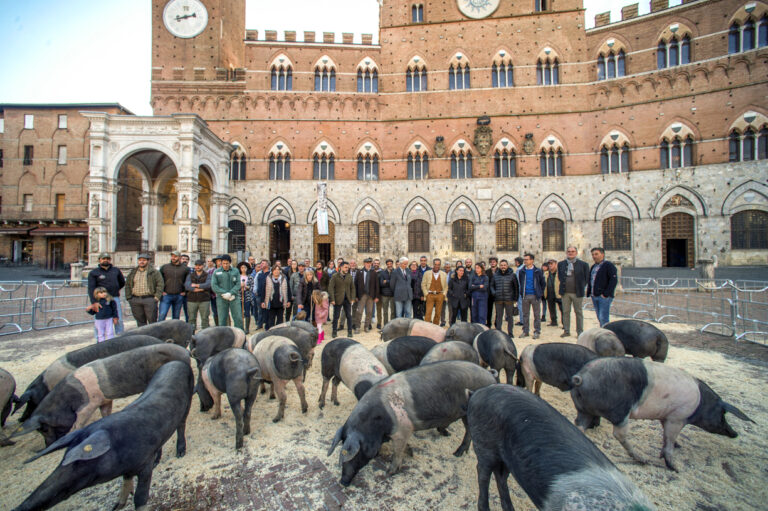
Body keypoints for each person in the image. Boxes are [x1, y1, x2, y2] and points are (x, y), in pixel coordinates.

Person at [87, 252, 126, 335]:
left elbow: (122, 282)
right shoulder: (94, 273)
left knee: (118, 318)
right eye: (103, 259)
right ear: (99, 260)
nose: (106, 260)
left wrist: (114, 289)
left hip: (114, 298)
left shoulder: (116, 270)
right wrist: (94, 302)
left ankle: (121, 338)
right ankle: (99, 340)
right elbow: (91, 288)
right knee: (100, 320)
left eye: (107, 259)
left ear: (110, 260)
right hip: (101, 300)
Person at [557, 246, 590, 337]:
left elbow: (587, 278)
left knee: (578, 312)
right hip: (565, 292)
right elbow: (560, 277)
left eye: (572, 251)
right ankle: (566, 330)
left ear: (576, 253)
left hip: (577, 292)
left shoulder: (583, 264)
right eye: (569, 251)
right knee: (566, 312)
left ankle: (579, 331)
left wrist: (581, 286)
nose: (570, 253)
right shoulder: (561, 264)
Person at [124, 253, 164, 326]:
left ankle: (152, 336)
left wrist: (157, 297)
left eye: (144, 260)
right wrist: (129, 297)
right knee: (140, 321)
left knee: (152, 321)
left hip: (149, 299)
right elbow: (127, 285)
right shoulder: (133, 272)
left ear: (148, 261)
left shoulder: (154, 272)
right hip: (135, 299)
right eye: (140, 260)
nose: (141, 262)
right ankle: (142, 337)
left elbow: (160, 284)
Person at [587, 247, 619, 326]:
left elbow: (613, 280)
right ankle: (603, 331)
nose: (594, 256)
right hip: (594, 295)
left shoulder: (608, 265)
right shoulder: (594, 266)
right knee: (599, 316)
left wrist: (606, 294)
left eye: (596, 254)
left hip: (603, 297)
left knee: (603, 317)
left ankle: (606, 334)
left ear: (602, 254)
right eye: (593, 254)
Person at [518, 253, 546, 339]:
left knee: (536, 315)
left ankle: (537, 331)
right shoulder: (522, 271)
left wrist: (539, 292)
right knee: (525, 314)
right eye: (524, 259)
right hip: (525, 295)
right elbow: (520, 282)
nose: (525, 261)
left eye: (527, 259)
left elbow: (543, 283)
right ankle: (525, 331)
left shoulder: (538, 271)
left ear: (532, 260)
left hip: (535, 295)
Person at [211, 254, 243, 329]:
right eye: (223, 263)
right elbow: (214, 285)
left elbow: (238, 284)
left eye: (227, 263)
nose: (225, 265)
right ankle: (223, 336)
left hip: (234, 297)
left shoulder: (235, 271)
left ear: (230, 263)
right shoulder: (216, 272)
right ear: (221, 263)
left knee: (238, 318)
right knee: (222, 319)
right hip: (221, 298)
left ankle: (240, 334)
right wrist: (224, 293)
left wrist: (231, 293)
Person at [490, 259, 519, 338]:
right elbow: (491, 285)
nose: (503, 267)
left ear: (507, 266)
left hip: (509, 299)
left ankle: (510, 332)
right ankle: (499, 332)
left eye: (504, 265)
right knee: (499, 316)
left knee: (510, 317)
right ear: (499, 266)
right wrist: (494, 293)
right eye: (501, 265)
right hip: (498, 299)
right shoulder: (495, 275)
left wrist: (515, 298)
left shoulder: (512, 275)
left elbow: (516, 287)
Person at [328, 261, 356, 337]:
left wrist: (352, 298)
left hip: (347, 299)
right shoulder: (334, 276)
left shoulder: (349, 276)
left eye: (348, 267)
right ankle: (334, 331)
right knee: (336, 316)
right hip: (337, 299)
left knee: (349, 316)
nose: (347, 269)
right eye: (345, 267)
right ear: (341, 267)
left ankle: (349, 331)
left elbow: (352, 288)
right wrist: (332, 299)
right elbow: (330, 288)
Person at [159, 250, 188, 321]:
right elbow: (159, 280)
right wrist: (161, 291)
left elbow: (188, 281)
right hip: (166, 295)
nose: (173, 258)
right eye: (172, 256)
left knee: (176, 316)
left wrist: (185, 291)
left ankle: (174, 331)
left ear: (179, 257)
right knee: (162, 314)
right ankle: (159, 331)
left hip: (179, 296)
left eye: (175, 256)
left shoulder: (185, 269)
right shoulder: (164, 267)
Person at [354, 258, 380, 333]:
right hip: (362, 295)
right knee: (359, 311)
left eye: (370, 263)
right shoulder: (359, 272)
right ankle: (357, 327)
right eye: (367, 263)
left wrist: (377, 296)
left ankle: (366, 326)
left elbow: (377, 285)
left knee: (369, 312)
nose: (369, 264)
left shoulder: (374, 273)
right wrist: (356, 296)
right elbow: (355, 284)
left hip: (371, 295)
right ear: (364, 263)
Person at [185, 259, 212, 332]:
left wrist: (196, 285)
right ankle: (191, 334)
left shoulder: (207, 275)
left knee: (205, 318)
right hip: (192, 300)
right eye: (196, 265)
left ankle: (205, 334)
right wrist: (195, 289)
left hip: (204, 299)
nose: (198, 267)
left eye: (199, 265)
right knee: (191, 318)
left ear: (203, 266)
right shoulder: (190, 275)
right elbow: (187, 286)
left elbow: (208, 285)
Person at [262, 264, 291, 330]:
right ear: (272, 271)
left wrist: (288, 300)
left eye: (278, 270)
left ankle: (279, 333)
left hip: (281, 303)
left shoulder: (284, 279)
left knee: (280, 321)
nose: (276, 271)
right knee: (271, 320)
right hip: (271, 303)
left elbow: (288, 290)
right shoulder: (268, 278)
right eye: (275, 270)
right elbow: (263, 290)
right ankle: (271, 333)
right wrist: (262, 301)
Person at [421, 258, 447, 326]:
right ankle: (426, 327)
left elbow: (446, 286)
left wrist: (443, 294)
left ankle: (435, 327)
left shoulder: (444, 274)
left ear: (440, 265)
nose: (437, 266)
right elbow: (423, 284)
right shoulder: (427, 273)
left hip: (440, 295)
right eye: (435, 264)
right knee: (428, 313)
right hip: (430, 295)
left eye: (438, 265)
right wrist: (426, 294)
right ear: (433, 265)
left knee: (438, 313)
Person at [339, 259, 358, 331]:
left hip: (354, 293)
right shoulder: (346, 271)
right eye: (351, 263)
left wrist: (357, 295)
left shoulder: (359, 272)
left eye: (354, 263)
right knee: (344, 310)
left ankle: (353, 324)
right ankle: (341, 324)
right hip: (346, 293)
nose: (353, 265)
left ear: (355, 264)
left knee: (354, 310)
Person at [377, 258, 395, 329]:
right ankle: (386, 325)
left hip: (393, 294)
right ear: (386, 265)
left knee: (393, 311)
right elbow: (381, 283)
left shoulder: (395, 272)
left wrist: (386, 281)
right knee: (385, 311)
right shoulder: (383, 273)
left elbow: (395, 283)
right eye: (388, 264)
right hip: (385, 294)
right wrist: (390, 282)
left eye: (390, 264)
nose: (389, 265)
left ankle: (392, 325)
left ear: (392, 264)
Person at [544, 259, 562, 327]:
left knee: (562, 308)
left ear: (556, 264)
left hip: (558, 293)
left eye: (551, 263)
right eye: (549, 264)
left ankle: (564, 323)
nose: (550, 265)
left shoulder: (560, 273)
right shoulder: (546, 273)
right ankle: (553, 321)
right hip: (549, 293)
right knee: (551, 308)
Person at [254, 260, 271, 330]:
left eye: (263, 263)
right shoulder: (259, 274)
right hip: (259, 295)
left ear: (267, 265)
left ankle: (268, 324)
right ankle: (259, 324)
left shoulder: (270, 273)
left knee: (268, 311)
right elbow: (255, 283)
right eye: (261, 263)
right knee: (260, 310)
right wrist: (255, 291)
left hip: (268, 296)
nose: (261, 264)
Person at [237, 262, 253, 332]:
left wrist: (246, 287)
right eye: (242, 268)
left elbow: (252, 287)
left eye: (245, 268)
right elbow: (235, 286)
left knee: (247, 312)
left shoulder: (250, 277)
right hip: (239, 296)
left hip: (247, 297)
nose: (243, 269)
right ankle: (241, 327)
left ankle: (247, 328)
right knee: (239, 312)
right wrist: (240, 286)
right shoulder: (238, 277)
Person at [485, 257, 498, 328]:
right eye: (491, 262)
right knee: (489, 310)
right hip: (489, 294)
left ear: (496, 263)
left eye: (494, 262)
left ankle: (497, 323)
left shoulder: (499, 271)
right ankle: (488, 323)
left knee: (498, 310)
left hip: (497, 293)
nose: (492, 263)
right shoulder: (487, 272)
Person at [208, 256, 221, 325]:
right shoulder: (211, 271)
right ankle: (217, 325)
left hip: (223, 295)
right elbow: (210, 283)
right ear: (216, 262)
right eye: (218, 261)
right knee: (215, 312)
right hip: (214, 295)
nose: (220, 262)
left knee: (224, 312)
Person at [514, 256, 524, 326]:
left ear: (517, 262)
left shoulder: (519, 270)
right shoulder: (524, 268)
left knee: (521, 306)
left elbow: (517, 281)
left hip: (520, 290)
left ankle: (522, 321)